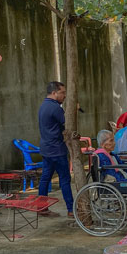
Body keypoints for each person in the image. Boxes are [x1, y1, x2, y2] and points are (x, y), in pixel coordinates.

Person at [38, 81, 74, 218]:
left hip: (46, 148)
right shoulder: (55, 108)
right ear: (54, 93)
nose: (64, 95)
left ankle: (41, 208)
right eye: (62, 93)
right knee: (65, 179)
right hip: (57, 150)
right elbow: (67, 124)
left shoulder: (43, 106)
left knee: (45, 178)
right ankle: (71, 209)